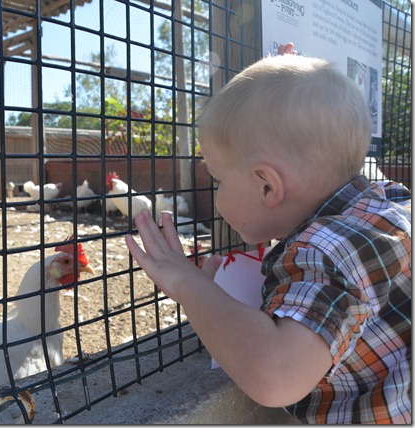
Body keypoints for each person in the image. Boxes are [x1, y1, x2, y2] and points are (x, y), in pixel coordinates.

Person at [125, 54, 411, 424]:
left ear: (267, 187)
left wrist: (187, 283)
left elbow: (276, 377)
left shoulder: (325, 251)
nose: (216, 190)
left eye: (218, 179)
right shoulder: (392, 203)